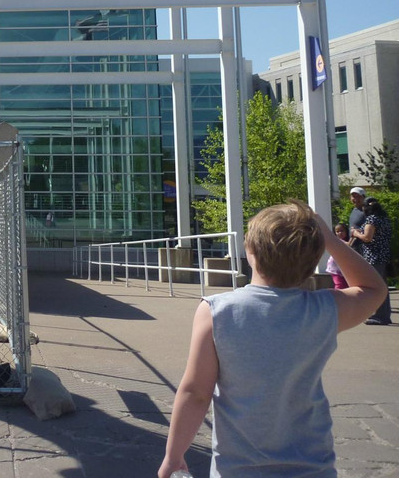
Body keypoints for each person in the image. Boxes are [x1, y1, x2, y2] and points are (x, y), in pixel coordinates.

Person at [158, 200, 387, 478]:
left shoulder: (217, 311)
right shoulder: (323, 310)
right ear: (313, 261)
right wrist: (330, 239)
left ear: (250, 251)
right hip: (313, 467)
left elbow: (195, 392)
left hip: (237, 469)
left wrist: (173, 455)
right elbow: (373, 288)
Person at [349, 197, 392, 325]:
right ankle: (383, 315)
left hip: (373, 256)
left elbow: (367, 237)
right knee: (382, 287)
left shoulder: (372, 219)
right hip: (383, 256)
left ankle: (379, 316)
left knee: (375, 287)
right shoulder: (385, 219)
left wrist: (356, 233)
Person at [326, 223, 349, 290]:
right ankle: (337, 297)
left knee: (344, 285)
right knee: (339, 284)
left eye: (342, 231)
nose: (340, 233)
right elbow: (349, 245)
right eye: (337, 231)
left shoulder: (345, 240)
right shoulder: (337, 241)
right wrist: (354, 235)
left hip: (341, 268)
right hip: (334, 267)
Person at [348, 187, 368, 254]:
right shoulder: (354, 210)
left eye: (358, 197)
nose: (355, 199)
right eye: (353, 196)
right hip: (354, 247)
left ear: (364, 197)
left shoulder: (367, 211)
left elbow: (372, 230)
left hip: (363, 248)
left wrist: (358, 231)